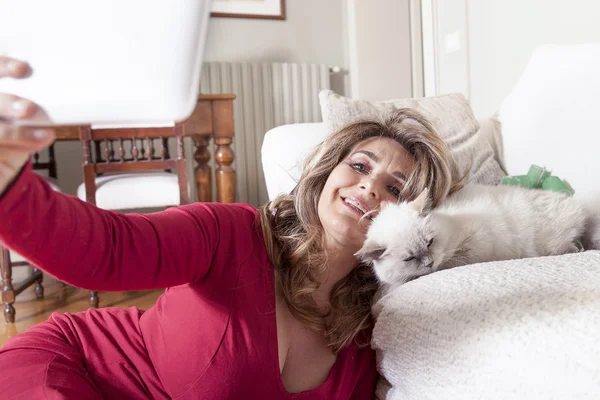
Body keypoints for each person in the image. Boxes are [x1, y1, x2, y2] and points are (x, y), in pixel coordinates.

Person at [0, 56, 463, 399]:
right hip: (75, 368)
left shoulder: (366, 329)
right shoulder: (228, 233)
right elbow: (108, 251)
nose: (368, 187)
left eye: (395, 188)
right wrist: (9, 185)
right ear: (326, 174)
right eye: (359, 165)